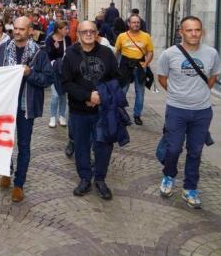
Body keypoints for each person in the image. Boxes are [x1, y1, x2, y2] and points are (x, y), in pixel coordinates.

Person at [157, 16, 221, 209]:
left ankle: (190, 188)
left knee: (195, 151)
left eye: (197, 30)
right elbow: (162, 78)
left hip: (202, 112)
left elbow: (212, 78)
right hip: (176, 110)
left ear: (202, 31)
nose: (194, 34)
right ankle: (169, 176)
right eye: (189, 30)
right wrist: (179, 95)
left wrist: (198, 94)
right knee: (174, 148)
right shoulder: (169, 54)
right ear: (181, 32)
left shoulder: (211, 53)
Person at [0, 17, 54, 203]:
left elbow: (47, 79)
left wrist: (30, 74)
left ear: (30, 31)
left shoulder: (39, 53)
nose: (17, 32)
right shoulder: (5, 49)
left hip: (25, 105)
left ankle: (19, 183)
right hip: (6, 105)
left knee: (24, 145)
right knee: (4, 142)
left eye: (21, 29)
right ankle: (6, 171)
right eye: (15, 28)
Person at [61, 21, 121, 200]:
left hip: (103, 111)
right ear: (78, 34)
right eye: (84, 31)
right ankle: (85, 178)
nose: (88, 34)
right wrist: (87, 96)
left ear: (97, 34)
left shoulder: (106, 53)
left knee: (104, 146)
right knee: (81, 146)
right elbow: (66, 83)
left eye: (91, 31)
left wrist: (100, 96)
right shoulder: (70, 54)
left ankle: (100, 179)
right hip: (79, 111)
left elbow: (116, 79)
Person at [115, 14, 153, 125]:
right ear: (128, 24)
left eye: (138, 22)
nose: (136, 24)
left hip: (140, 65)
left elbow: (150, 51)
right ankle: (121, 113)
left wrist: (146, 63)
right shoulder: (122, 36)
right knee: (122, 91)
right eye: (133, 22)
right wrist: (115, 66)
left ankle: (137, 115)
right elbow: (117, 52)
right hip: (125, 65)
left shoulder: (146, 36)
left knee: (140, 92)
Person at [45, 21, 71, 128]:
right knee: (55, 95)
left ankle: (62, 116)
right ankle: (52, 116)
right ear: (59, 30)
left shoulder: (67, 39)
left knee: (63, 94)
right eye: (65, 29)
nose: (67, 30)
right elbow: (48, 55)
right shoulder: (50, 39)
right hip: (54, 70)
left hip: (64, 70)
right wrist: (54, 49)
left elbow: (70, 53)